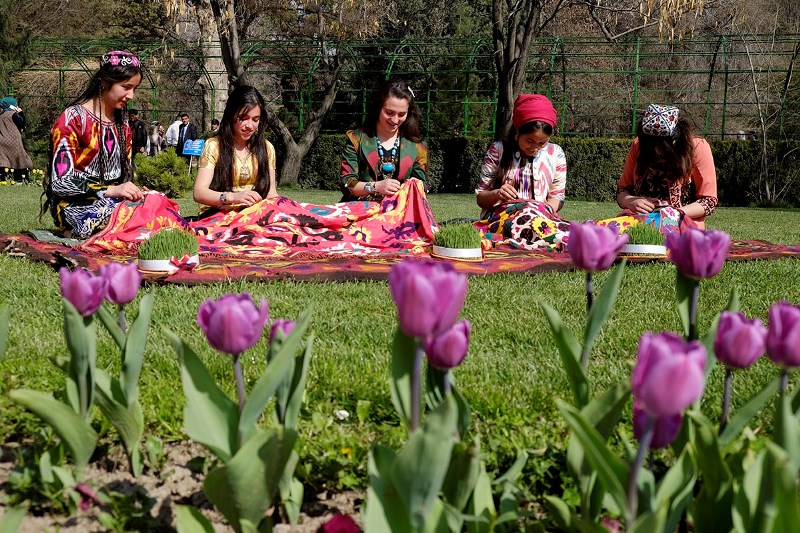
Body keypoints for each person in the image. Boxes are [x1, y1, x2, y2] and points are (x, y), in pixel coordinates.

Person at [40, 50, 144, 239]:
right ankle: (73, 230)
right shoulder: (72, 119)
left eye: (135, 89)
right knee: (125, 222)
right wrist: (111, 190)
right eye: (126, 87)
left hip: (114, 201)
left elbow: (123, 177)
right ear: (105, 82)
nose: (131, 96)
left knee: (157, 206)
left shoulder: (124, 124)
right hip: (74, 204)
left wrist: (132, 191)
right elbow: (60, 183)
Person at [474, 93, 569, 250]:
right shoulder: (498, 150)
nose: (535, 148)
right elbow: (481, 199)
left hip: (542, 217)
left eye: (542, 143)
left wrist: (543, 211)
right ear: (517, 132)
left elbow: (557, 197)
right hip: (504, 217)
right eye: (530, 141)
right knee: (529, 225)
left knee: (562, 230)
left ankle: (532, 238)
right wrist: (498, 194)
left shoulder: (556, 153)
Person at [616, 104, 718, 229]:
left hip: (682, 223)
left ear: (675, 139)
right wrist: (630, 201)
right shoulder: (638, 145)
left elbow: (708, 202)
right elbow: (622, 190)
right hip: (639, 219)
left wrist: (675, 213)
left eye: (663, 147)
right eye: (651, 146)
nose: (657, 151)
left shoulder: (697, 148)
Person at [192, 85, 278, 217]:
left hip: (254, 215)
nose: (250, 126)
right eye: (243, 118)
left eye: (256, 120)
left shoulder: (267, 148)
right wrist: (233, 197)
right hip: (219, 215)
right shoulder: (214, 146)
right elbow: (199, 193)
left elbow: (271, 194)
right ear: (231, 115)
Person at [339, 80, 427, 201]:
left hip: (399, 211)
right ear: (378, 108)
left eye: (402, 114)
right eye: (389, 113)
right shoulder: (356, 139)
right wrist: (376, 186)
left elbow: (421, 186)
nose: (395, 120)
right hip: (359, 209)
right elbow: (348, 183)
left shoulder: (417, 146)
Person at [0, 97, 32, 183]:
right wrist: (21, 113)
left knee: (4, 160)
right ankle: (20, 179)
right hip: (14, 141)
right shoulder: (14, 114)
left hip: (2, 141)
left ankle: (3, 179)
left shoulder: (1, 116)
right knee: (19, 160)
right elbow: (22, 124)